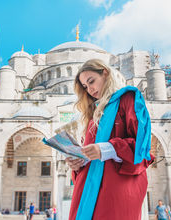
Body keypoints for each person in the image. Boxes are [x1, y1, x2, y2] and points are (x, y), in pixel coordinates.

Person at [66, 59, 154, 220]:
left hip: (116, 187)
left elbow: (141, 148)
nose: (90, 89)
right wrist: (78, 163)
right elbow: (90, 154)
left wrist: (105, 149)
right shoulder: (92, 116)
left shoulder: (128, 99)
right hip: (88, 188)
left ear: (104, 72)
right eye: (85, 87)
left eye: (91, 81)